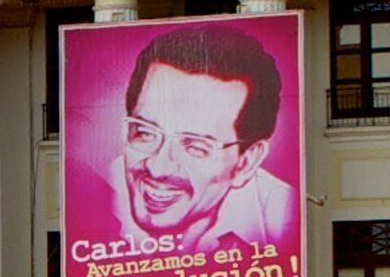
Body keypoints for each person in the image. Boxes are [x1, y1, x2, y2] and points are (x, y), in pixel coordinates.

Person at [105, 23, 297, 256]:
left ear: (246, 163)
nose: (157, 168)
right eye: (146, 133)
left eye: (196, 148)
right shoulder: (95, 193)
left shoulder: (287, 216)